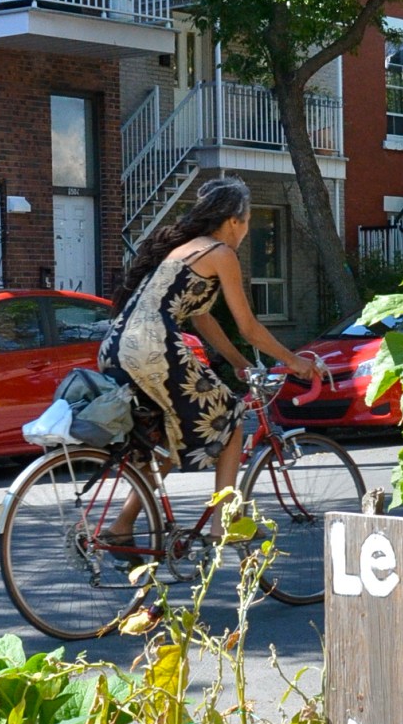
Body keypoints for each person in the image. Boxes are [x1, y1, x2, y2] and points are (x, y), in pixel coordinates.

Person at [101, 178, 316, 538]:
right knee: (230, 420)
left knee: (174, 434)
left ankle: (121, 525)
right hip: (154, 347)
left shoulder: (187, 250)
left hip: (115, 347)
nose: (247, 231)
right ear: (235, 220)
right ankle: (225, 523)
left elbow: (203, 317)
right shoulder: (220, 253)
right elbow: (248, 326)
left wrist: (237, 362)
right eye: (249, 222)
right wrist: (294, 360)